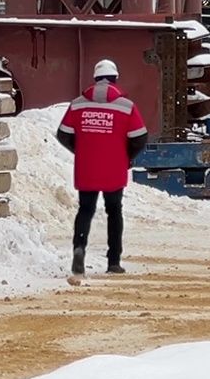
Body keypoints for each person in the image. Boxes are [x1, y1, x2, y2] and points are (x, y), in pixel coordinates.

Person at [56, 59, 149, 275]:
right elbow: (140, 137)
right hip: (114, 169)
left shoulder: (78, 105)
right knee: (114, 211)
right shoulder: (126, 106)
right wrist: (127, 157)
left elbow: (63, 134)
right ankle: (113, 261)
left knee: (85, 210)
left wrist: (80, 150)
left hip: (87, 168)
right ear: (115, 79)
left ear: (95, 79)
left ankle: (79, 248)